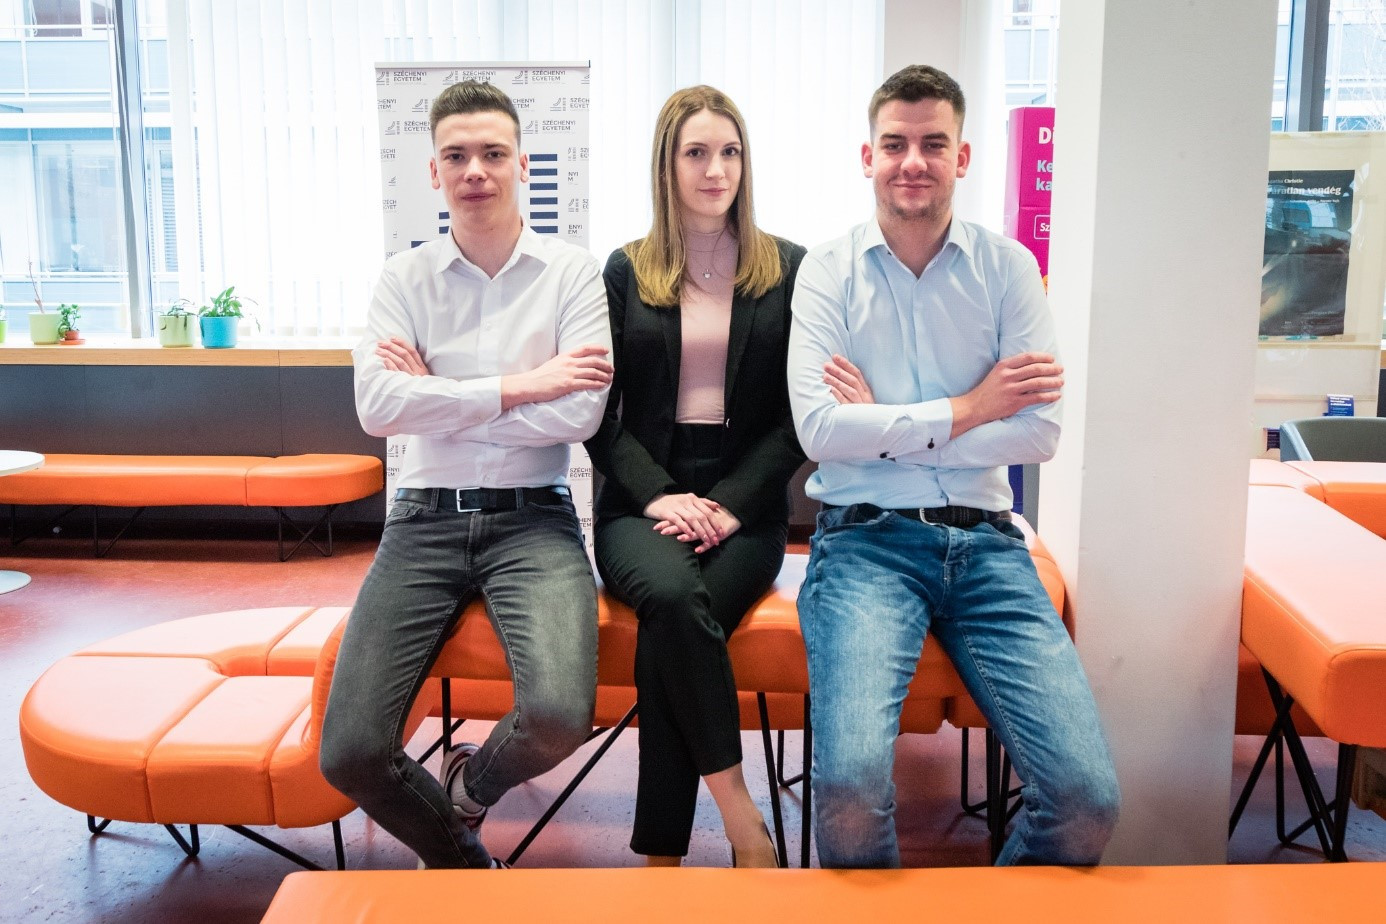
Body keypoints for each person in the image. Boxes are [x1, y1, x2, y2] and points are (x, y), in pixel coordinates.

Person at [787, 64, 1120, 868]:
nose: (913, 161)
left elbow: (1038, 433)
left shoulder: (1008, 270)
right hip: (864, 544)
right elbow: (820, 429)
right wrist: (973, 405)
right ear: (867, 156)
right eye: (895, 144)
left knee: (1087, 803)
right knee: (849, 794)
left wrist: (886, 424)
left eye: (934, 143)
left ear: (963, 157)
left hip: (988, 547)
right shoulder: (827, 270)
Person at [319, 80, 613, 870]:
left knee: (558, 717)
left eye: (492, 153)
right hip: (422, 520)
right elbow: (378, 407)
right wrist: (522, 385)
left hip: (534, 520)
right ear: (433, 171)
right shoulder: (403, 279)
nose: (474, 170)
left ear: (522, 163)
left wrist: (440, 398)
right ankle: (465, 867)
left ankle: (468, 785)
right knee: (350, 753)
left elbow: (581, 414)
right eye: (456, 156)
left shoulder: (571, 273)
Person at [585, 86, 806, 868]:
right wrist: (658, 495)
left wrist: (733, 505)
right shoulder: (626, 269)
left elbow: (799, 417)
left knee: (673, 623)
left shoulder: (788, 268)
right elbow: (596, 414)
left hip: (748, 499)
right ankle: (741, 815)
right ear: (667, 165)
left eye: (730, 152)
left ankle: (662, 856)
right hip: (641, 499)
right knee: (675, 598)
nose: (716, 170)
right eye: (697, 153)